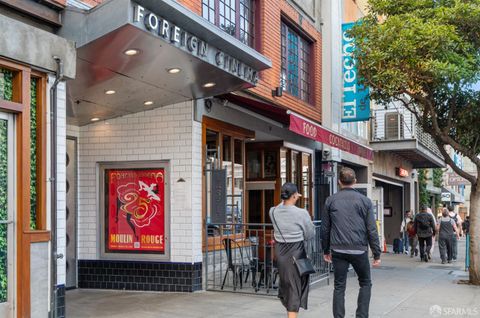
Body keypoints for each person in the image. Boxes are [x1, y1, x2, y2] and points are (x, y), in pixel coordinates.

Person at [322, 167, 381, 318]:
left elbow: (325, 228)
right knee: (365, 283)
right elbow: (371, 229)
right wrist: (376, 253)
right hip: (359, 250)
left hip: (338, 250)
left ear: (339, 182)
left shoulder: (331, 200)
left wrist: (325, 250)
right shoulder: (365, 201)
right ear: (355, 181)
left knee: (339, 286)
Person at [269, 182, 315, 318]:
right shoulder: (302, 213)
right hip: (296, 251)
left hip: (280, 251)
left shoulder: (273, 211)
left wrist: (290, 198)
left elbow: (279, 207)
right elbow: (310, 234)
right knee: (295, 286)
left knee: (287, 284)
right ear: (295, 195)